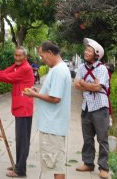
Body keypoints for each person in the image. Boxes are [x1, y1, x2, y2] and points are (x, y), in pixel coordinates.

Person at [0, 47, 35, 178]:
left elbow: (7, 77)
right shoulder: (18, 65)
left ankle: (20, 170)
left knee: (22, 139)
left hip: (24, 107)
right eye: (15, 55)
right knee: (21, 138)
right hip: (21, 106)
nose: (17, 58)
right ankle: (19, 164)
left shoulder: (25, 68)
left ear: (25, 57)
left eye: (20, 56)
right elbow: (4, 72)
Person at [23, 42, 71, 179]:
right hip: (54, 125)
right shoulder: (58, 69)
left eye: (42, 55)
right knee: (57, 163)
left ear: (50, 53)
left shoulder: (58, 71)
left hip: (53, 126)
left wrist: (34, 95)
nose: (41, 59)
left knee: (57, 164)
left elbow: (55, 98)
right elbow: (53, 93)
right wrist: (40, 91)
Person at [74, 38, 111, 179]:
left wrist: (85, 84)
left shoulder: (102, 69)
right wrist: (88, 85)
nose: (85, 52)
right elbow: (76, 84)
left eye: (89, 50)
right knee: (87, 138)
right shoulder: (82, 68)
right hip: (86, 107)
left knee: (102, 138)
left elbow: (98, 87)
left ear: (97, 54)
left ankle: (104, 167)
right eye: (86, 49)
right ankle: (88, 163)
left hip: (100, 107)